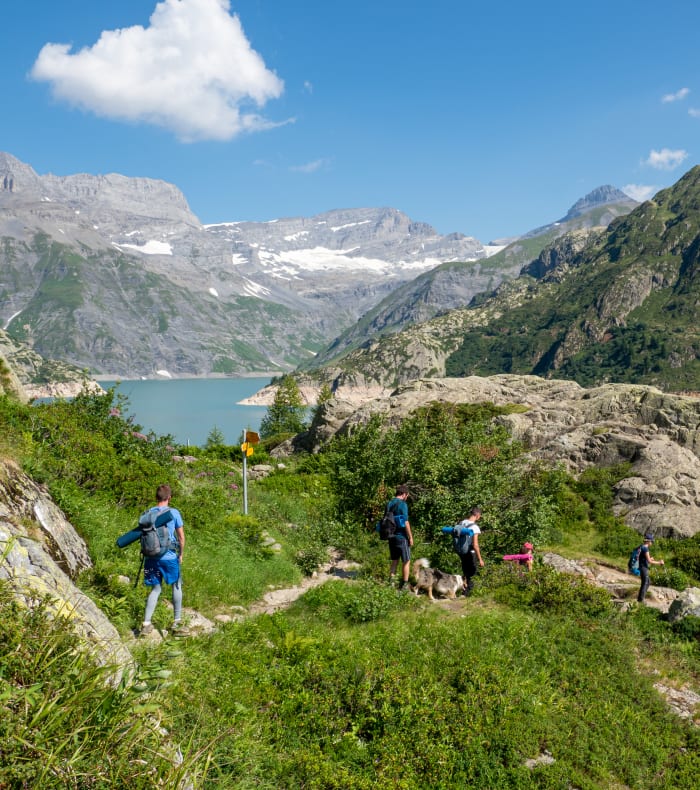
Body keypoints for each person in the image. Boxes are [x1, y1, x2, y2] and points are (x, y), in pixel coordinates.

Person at [140, 484, 187, 636]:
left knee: (155, 589)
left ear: (156, 497)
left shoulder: (147, 514)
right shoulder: (173, 512)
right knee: (176, 585)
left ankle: (146, 624)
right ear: (169, 498)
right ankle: (177, 623)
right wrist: (180, 554)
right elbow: (181, 537)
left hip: (151, 558)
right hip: (169, 557)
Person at [442, 507, 484, 594]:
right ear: (477, 515)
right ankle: (468, 593)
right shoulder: (474, 527)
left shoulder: (461, 523)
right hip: (469, 552)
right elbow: (475, 545)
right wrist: (480, 559)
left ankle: (464, 590)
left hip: (461, 551)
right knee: (472, 572)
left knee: (465, 570)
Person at [385, 484, 413, 590]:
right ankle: (404, 585)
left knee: (395, 560)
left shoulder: (389, 503)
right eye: (407, 496)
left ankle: (391, 584)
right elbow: (405, 522)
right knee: (406, 560)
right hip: (401, 537)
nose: (407, 498)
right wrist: (410, 537)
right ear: (404, 494)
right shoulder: (402, 504)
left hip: (390, 536)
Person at [637, 533, 664, 603]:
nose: (652, 543)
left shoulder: (642, 547)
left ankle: (640, 598)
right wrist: (659, 562)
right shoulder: (645, 549)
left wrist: (650, 559)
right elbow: (649, 561)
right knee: (645, 582)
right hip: (643, 568)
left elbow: (645, 559)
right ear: (648, 541)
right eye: (652, 541)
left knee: (647, 582)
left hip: (642, 567)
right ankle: (641, 600)